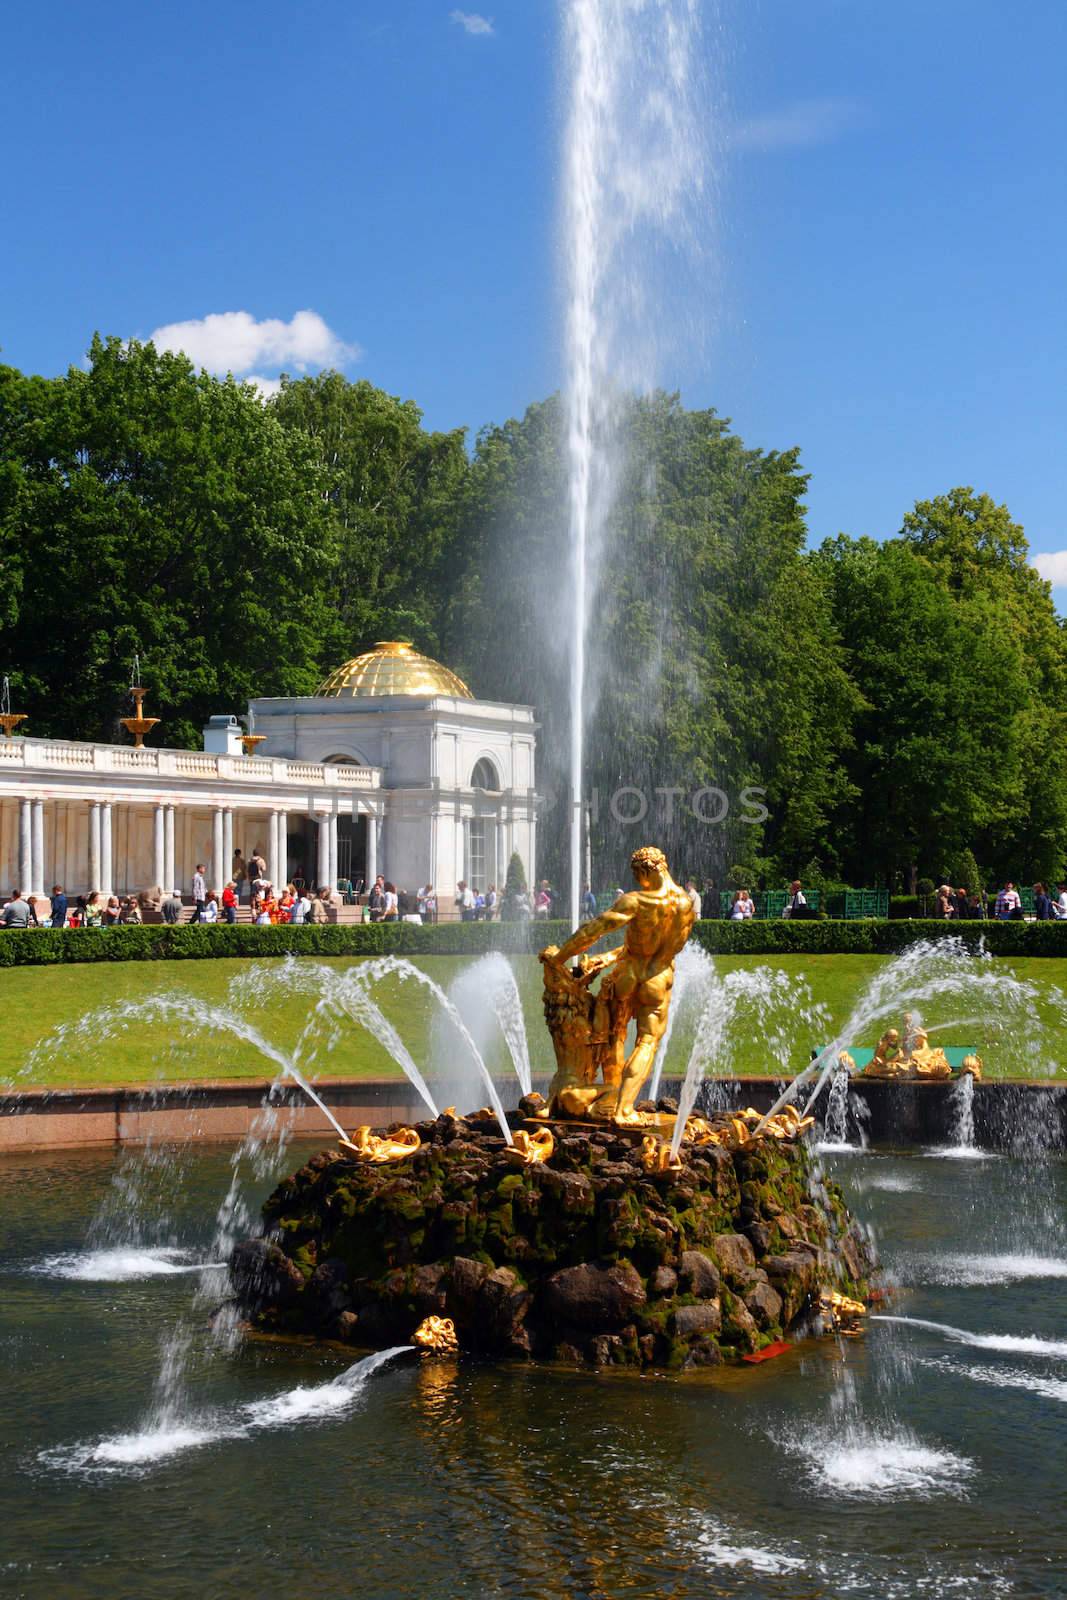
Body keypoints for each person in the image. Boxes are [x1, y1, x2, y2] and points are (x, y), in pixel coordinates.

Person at [540, 845, 695, 1122]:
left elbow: (593, 930)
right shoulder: (686, 905)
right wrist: (609, 956)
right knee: (646, 1043)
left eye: (637, 875)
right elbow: (669, 950)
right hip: (658, 979)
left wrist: (559, 958)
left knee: (614, 1035)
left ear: (646, 870)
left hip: (628, 976)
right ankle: (623, 1107)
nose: (637, 881)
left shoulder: (637, 901)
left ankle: (610, 1097)